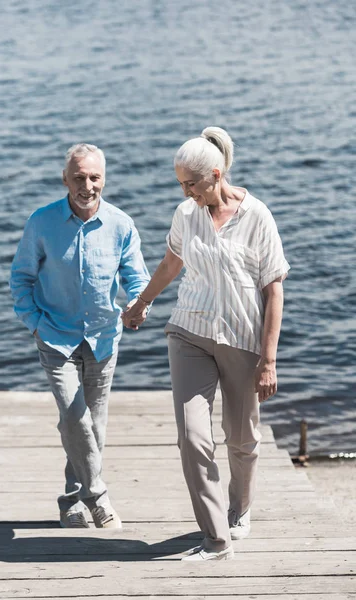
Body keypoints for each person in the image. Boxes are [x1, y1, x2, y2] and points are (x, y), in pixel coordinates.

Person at [123, 127, 290, 561]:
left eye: (190, 183)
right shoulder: (185, 214)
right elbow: (171, 262)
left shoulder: (257, 217)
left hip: (241, 339)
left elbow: (273, 290)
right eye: (181, 184)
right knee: (193, 437)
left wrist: (268, 361)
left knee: (241, 438)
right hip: (189, 333)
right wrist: (142, 303)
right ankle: (216, 538)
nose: (185, 191)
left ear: (215, 175)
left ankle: (239, 509)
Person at [10, 143, 150, 529]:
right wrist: (34, 322)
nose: (87, 186)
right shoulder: (42, 222)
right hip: (55, 336)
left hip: (104, 338)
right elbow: (20, 278)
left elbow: (136, 277)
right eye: (78, 177)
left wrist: (140, 304)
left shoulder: (121, 224)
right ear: (65, 179)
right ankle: (97, 495)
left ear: (103, 178)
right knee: (75, 417)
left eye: (94, 177)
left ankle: (72, 499)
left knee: (95, 423)